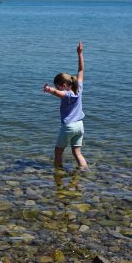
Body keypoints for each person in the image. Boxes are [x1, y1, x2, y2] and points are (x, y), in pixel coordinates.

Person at [43, 41, 88, 170]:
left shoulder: (67, 94)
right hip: (80, 125)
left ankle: (58, 172)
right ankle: (85, 171)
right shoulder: (79, 87)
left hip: (69, 126)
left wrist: (49, 89)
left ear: (63, 85)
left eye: (58, 86)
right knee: (77, 153)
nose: (58, 88)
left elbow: (57, 93)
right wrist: (80, 53)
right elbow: (81, 69)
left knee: (58, 151)